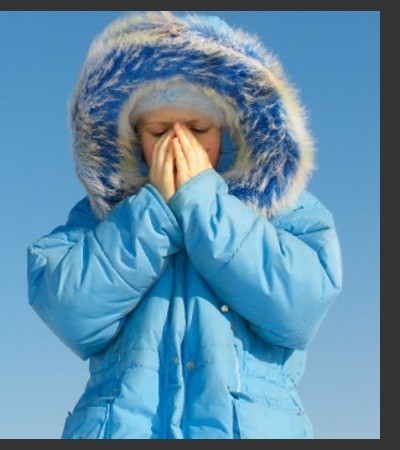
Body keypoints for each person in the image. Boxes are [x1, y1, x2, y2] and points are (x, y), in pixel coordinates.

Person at [26, 11, 343, 439]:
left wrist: (202, 204)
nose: (179, 144)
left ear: (230, 132)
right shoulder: (105, 214)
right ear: (134, 138)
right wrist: (152, 212)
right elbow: (67, 308)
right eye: (159, 130)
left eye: (197, 128)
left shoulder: (283, 207)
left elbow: (301, 307)